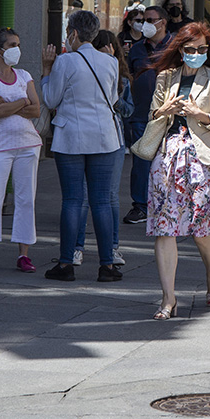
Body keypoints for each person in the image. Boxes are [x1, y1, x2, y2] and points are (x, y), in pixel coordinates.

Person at [145, 22, 210, 320]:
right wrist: (164, 110)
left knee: (200, 228)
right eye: (191, 49)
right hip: (168, 157)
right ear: (180, 50)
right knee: (164, 227)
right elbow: (152, 115)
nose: (197, 54)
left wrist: (200, 114)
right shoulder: (166, 77)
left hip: (201, 159)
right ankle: (168, 299)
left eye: (203, 50)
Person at [41, 10, 126, 283]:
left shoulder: (65, 62)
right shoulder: (110, 61)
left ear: (74, 33)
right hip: (104, 137)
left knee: (73, 201)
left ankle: (67, 262)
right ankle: (107, 265)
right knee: (102, 201)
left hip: (71, 137)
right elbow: (112, 98)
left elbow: (51, 99)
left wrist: (46, 72)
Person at [0, 28, 42, 274]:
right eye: (12, 44)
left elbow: (36, 110)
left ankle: (24, 254)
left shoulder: (24, 75)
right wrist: (23, 101)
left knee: (26, 200)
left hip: (28, 145)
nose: (17, 48)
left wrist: (13, 103)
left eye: (18, 43)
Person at [71, 30, 132, 267]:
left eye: (110, 47)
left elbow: (128, 110)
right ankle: (76, 248)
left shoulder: (122, 78)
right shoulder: (81, 70)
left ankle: (112, 247)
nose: (106, 51)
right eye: (101, 47)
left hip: (113, 138)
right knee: (83, 196)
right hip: (85, 136)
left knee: (110, 196)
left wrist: (114, 77)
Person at [124, 5, 172, 225]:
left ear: (163, 22)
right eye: (144, 20)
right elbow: (129, 76)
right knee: (142, 162)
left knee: (169, 162)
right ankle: (141, 206)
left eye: (151, 20)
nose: (146, 24)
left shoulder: (175, 47)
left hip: (169, 116)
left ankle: (168, 204)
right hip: (142, 113)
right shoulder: (136, 49)